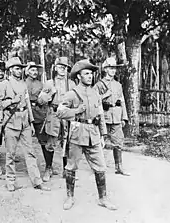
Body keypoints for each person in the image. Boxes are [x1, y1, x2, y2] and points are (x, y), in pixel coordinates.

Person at [56, 59, 117, 210]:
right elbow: (60, 112)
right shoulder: (72, 94)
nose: (90, 76)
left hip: (94, 135)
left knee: (101, 167)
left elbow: (101, 114)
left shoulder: (95, 93)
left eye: (91, 74)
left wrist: (103, 135)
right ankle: (70, 197)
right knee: (71, 167)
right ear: (78, 76)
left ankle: (103, 198)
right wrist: (76, 111)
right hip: (77, 134)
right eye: (86, 74)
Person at [1, 57, 50, 192]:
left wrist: (32, 122)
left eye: (21, 68)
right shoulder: (4, 84)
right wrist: (11, 101)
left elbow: (28, 103)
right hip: (11, 121)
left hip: (25, 122)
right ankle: (10, 181)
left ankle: (37, 181)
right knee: (10, 154)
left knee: (30, 152)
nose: (19, 71)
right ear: (10, 70)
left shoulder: (23, 84)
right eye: (17, 68)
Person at [38, 57, 76, 181]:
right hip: (53, 115)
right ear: (55, 68)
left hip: (67, 116)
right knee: (50, 143)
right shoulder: (49, 83)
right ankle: (48, 168)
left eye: (65, 67)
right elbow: (40, 100)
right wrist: (50, 95)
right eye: (60, 67)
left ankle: (67, 169)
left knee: (68, 142)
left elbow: (76, 100)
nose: (63, 69)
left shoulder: (71, 84)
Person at [93, 57, 129, 176]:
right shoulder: (99, 85)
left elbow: (122, 100)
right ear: (105, 69)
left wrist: (124, 117)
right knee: (99, 142)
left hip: (117, 116)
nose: (113, 71)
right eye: (111, 68)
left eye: (114, 68)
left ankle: (119, 167)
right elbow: (93, 100)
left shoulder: (118, 85)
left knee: (118, 142)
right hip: (104, 116)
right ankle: (98, 167)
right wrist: (104, 96)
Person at [24, 62, 51, 176]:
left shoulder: (41, 84)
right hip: (25, 112)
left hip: (39, 112)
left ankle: (48, 166)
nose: (34, 72)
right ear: (27, 71)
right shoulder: (23, 83)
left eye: (36, 70)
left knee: (44, 140)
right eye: (32, 70)